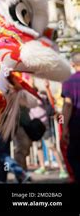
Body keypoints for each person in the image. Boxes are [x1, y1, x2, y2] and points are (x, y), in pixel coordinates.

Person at [32, 84, 68, 179]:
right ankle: (43, 167)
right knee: (38, 147)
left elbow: (51, 103)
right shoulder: (28, 97)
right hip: (35, 126)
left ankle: (61, 169)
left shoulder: (41, 96)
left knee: (51, 146)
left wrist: (47, 88)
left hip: (44, 126)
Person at [61, 52, 80, 183]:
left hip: (77, 125)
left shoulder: (68, 81)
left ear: (73, 64)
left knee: (73, 156)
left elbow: (67, 106)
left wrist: (64, 126)